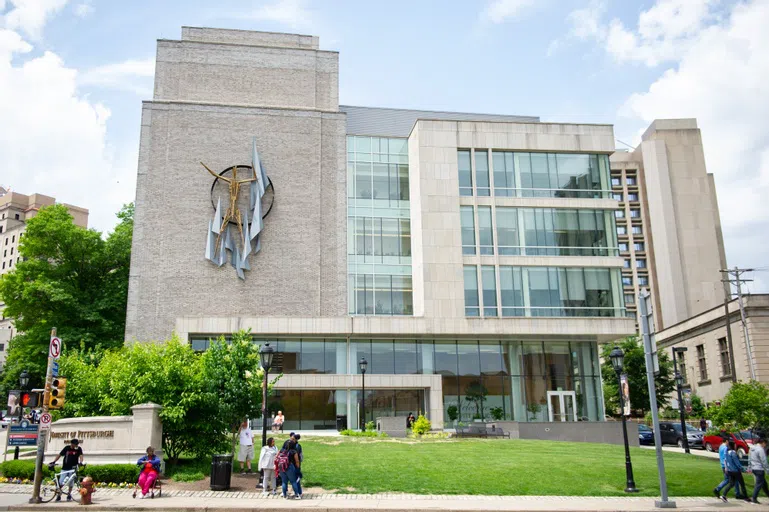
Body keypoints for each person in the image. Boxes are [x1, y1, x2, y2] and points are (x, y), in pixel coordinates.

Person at [750, 438, 769, 504]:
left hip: (754, 468)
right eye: (765, 444)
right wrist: (767, 470)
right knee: (759, 484)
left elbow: (750, 458)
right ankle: (754, 498)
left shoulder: (752, 448)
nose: (765, 446)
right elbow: (764, 460)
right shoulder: (760, 449)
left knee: (764, 484)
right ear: (763, 442)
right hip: (759, 469)